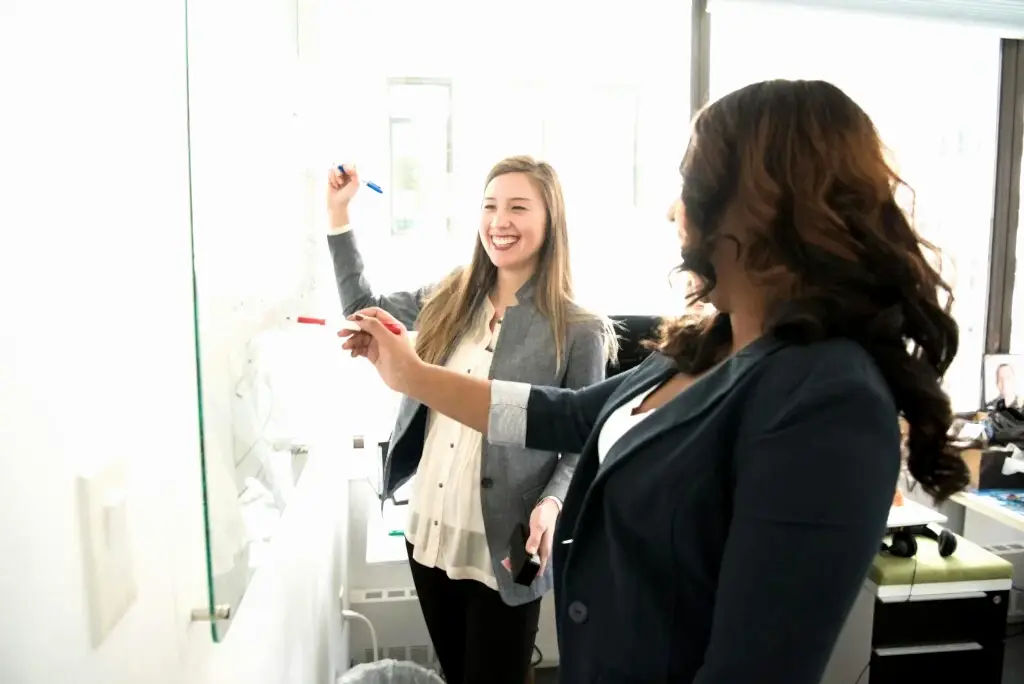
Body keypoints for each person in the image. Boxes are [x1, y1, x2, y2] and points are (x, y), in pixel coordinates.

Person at [340, 80, 970, 683]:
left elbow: (750, 671)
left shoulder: (828, 398)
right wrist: (416, 377)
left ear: (759, 205)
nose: (674, 208)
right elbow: (566, 415)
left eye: (688, 183)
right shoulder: (704, 342)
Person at [326, 156, 615, 684]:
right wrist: (338, 215)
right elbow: (362, 307)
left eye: (518, 208)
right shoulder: (451, 296)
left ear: (551, 221)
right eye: (490, 206)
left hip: (509, 544)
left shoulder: (579, 328)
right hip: (430, 531)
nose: (499, 221)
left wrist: (552, 504)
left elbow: (583, 439)